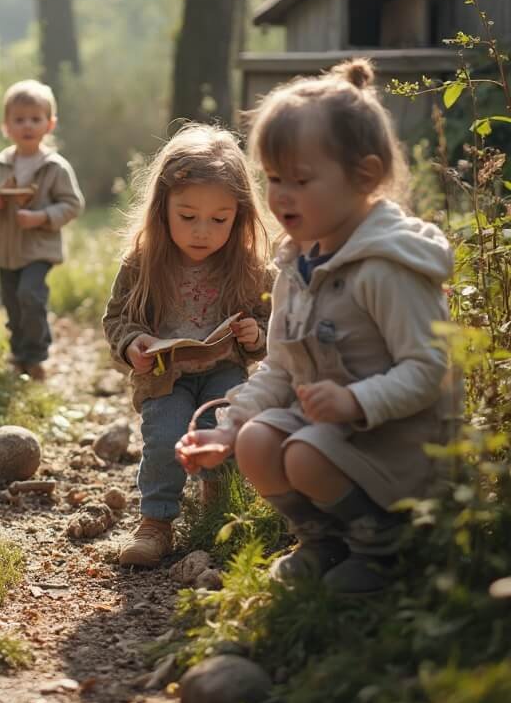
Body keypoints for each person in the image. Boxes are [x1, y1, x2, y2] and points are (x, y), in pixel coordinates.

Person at [177, 60, 458, 594]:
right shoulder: (297, 264)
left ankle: (384, 549)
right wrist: (228, 429)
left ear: (366, 177)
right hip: (334, 432)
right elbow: (280, 366)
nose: (280, 196)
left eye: (301, 180)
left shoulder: (385, 268)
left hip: (400, 441)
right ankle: (324, 542)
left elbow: (430, 369)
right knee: (259, 442)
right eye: (274, 178)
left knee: (304, 453)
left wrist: (358, 402)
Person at [103, 123, 273, 567]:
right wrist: (133, 343)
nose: (202, 231)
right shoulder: (144, 262)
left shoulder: (248, 266)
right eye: (187, 216)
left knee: (225, 433)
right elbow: (117, 319)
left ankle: (217, 512)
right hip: (166, 374)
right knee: (164, 439)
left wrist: (256, 336)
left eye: (219, 219)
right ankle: (156, 522)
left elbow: (269, 323)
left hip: (223, 370)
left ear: (239, 215)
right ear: (163, 209)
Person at [0, 80, 84, 380]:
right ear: (6, 126)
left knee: (30, 295)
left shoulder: (55, 167)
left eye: (35, 119)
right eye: (19, 120)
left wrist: (42, 217)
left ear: (49, 124)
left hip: (39, 248)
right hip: (7, 249)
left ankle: (36, 354)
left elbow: (73, 205)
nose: (27, 126)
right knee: (12, 302)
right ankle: (19, 351)